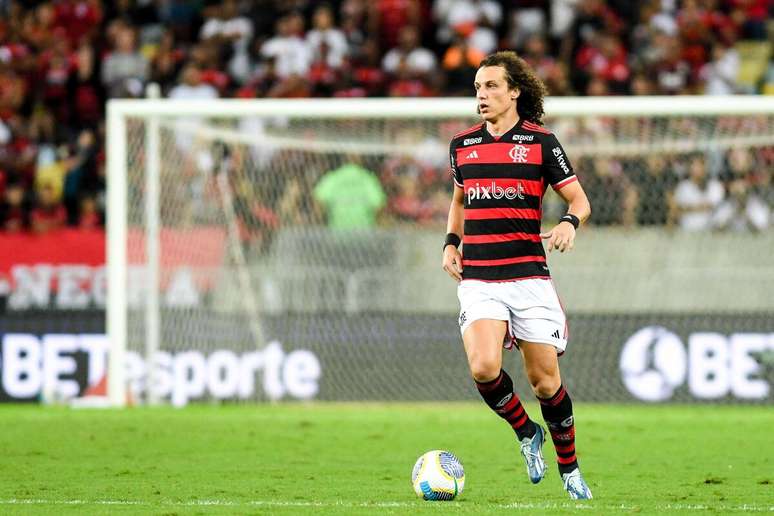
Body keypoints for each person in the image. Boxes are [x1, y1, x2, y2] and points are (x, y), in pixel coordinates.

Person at [441, 51, 593, 500]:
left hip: (528, 276)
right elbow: (459, 201)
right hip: (481, 277)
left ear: (514, 91)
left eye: (490, 86)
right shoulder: (463, 145)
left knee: (545, 382)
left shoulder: (542, 143)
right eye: (476, 88)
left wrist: (569, 223)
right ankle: (527, 432)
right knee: (484, 367)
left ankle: (570, 470)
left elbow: (579, 201)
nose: (481, 95)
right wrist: (450, 243)